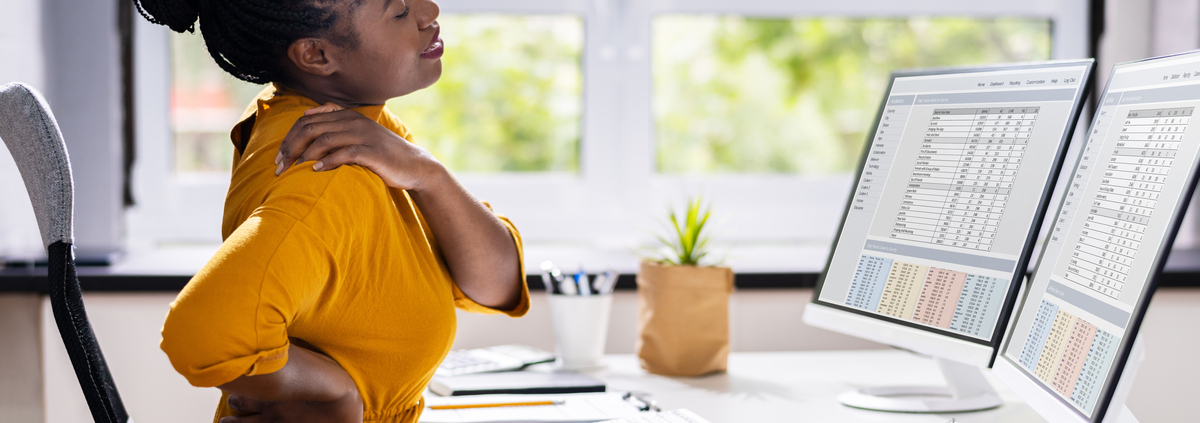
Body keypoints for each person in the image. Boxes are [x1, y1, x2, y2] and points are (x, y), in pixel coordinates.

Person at [132, 0, 530, 422]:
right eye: (397, 12)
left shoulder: (360, 129)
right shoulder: (328, 171)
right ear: (316, 56)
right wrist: (334, 392)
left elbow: (497, 284)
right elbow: (203, 333)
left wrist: (429, 175)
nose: (429, 10)